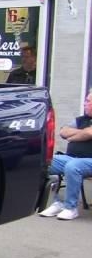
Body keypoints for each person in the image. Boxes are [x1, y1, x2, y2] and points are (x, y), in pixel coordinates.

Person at [40, 90, 92, 220]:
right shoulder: (80, 120)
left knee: (72, 166)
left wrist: (74, 136)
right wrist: (81, 134)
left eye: (88, 101)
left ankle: (70, 208)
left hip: (88, 160)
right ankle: (56, 202)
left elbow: (89, 134)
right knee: (44, 161)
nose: (84, 104)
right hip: (71, 157)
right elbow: (63, 132)